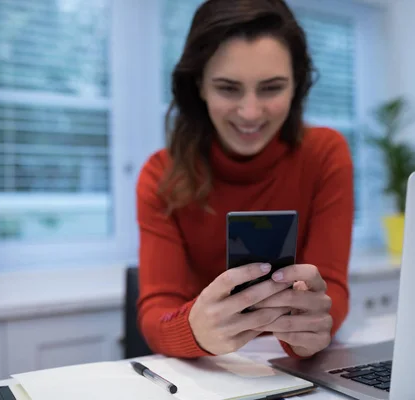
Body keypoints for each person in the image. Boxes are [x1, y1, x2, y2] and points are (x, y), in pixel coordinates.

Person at [136, 0, 354, 359]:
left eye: (271, 88)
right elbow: (156, 310)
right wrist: (192, 330)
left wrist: (314, 326)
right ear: (199, 86)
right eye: (227, 88)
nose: (250, 113)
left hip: (293, 367)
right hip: (206, 370)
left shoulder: (326, 153)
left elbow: (331, 288)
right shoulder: (160, 175)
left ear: (296, 86)